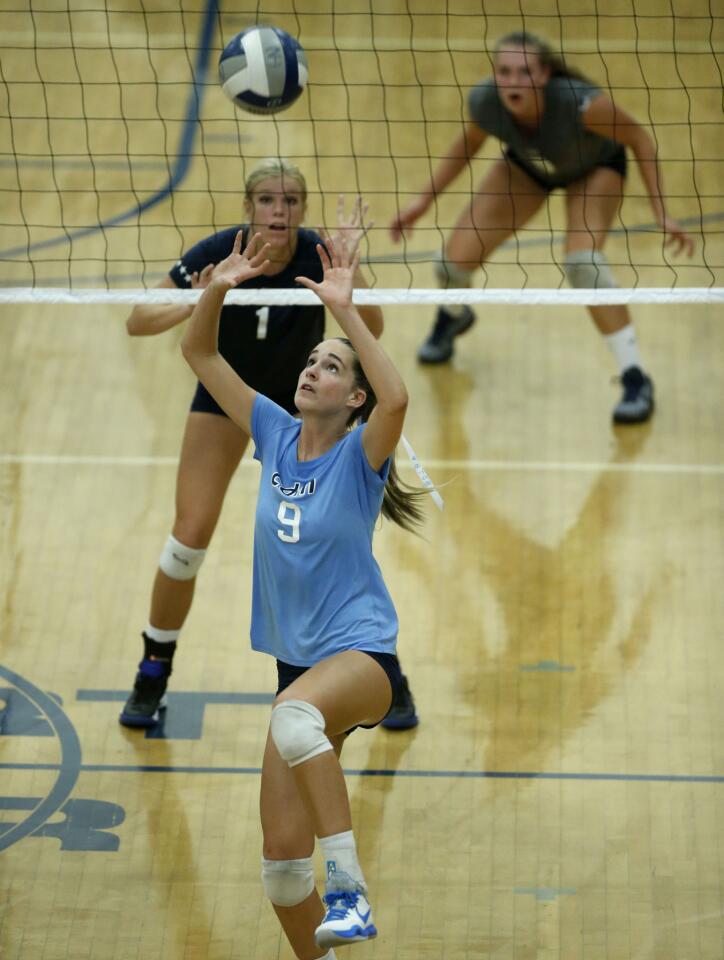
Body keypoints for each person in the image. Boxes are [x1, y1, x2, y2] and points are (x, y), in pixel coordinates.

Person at [180, 227, 426, 955]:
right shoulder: (273, 431)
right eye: (311, 360)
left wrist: (345, 313)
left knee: (292, 722)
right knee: (283, 874)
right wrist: (218, 286)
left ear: (352, 397)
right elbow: (199, 354)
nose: (311, 368)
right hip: (297, 672)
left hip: (359, 657)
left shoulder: (360, 456)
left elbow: (399, 396)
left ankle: (349, 888)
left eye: (329, 366)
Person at [118, 158, 417, 731]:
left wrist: (351, 276)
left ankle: (381, 669)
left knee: (334, 536)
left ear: (302, 210)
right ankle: (154, 668)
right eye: (267, 201)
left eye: (290, 202)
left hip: (303, 401)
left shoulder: (314, 255)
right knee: (189, 537)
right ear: (249, 207)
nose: (279, 211)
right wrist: (202, 295)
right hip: (230, 398)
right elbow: (138, 320)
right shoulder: (219, 250)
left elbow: (370, 329)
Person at [390, 31, 694, 425]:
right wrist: (421, 203)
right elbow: (468, 145)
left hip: (594, 169)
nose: (513, 81)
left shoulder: (581, 105)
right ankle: (453, 315)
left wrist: (662, 213)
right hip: (529, 165)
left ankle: (635, 377)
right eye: (505, 72)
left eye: (524, 72)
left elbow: (639, 138)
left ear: (544, 74)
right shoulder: (486, 100)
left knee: (584, 265)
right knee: (452, 264)